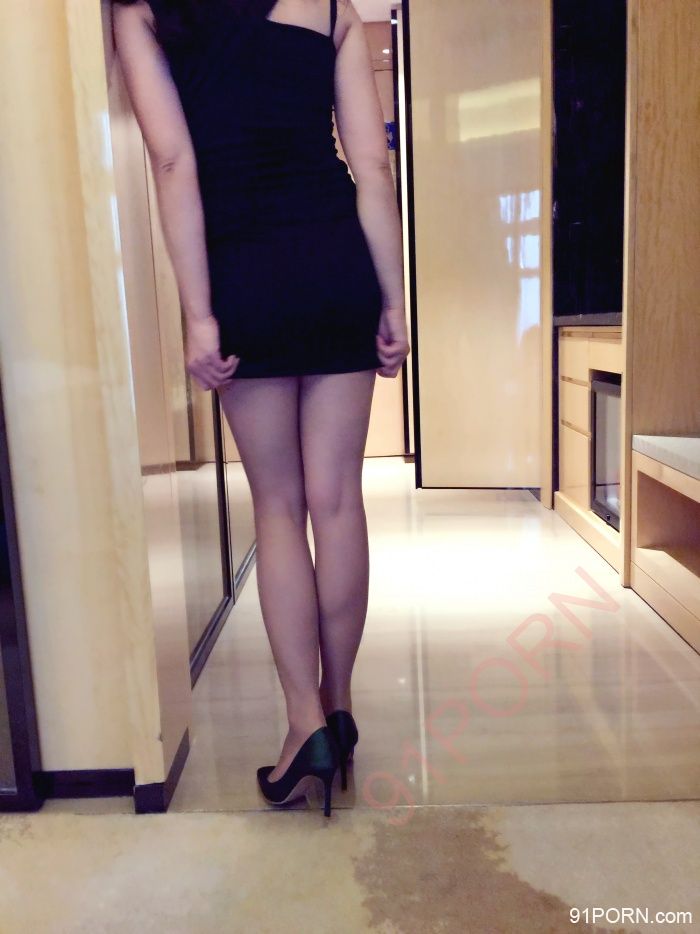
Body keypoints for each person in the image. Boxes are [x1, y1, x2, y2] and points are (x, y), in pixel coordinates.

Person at [112, 0, 409, 816]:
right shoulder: (333, 6)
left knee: (278, 507)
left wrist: (199, 314)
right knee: (337, 500)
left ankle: (303, 724)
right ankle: (339, 708)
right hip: (335, 260)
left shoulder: (143, 12)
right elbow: (371, 165)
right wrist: (392, 300)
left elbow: (173, 161)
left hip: (243, 271)